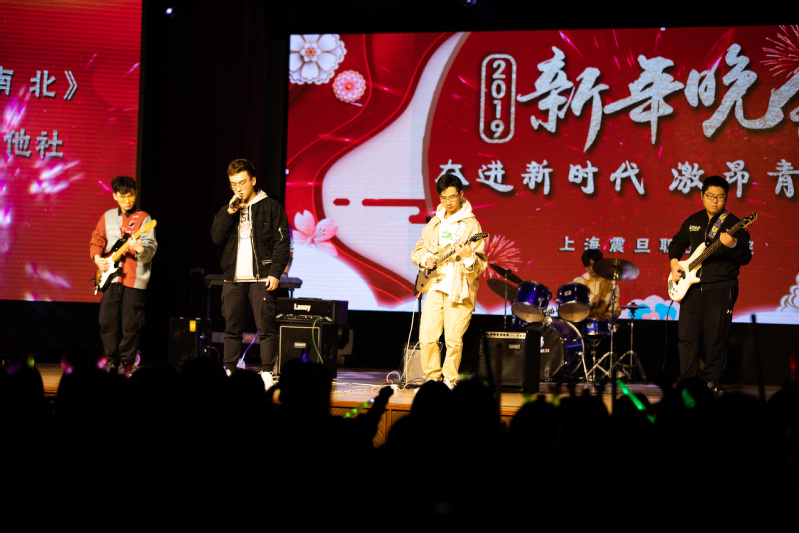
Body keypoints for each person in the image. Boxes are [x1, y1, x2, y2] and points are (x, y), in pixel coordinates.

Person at [210, 158, 291, 389]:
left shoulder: (271, 207)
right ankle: (229, 370)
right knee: (232, 328)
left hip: (261, 277)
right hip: (234, 277)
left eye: (242, 183)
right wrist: (229, 212)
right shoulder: (229, 209)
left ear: (253, 181)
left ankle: (266, 372)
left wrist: (275, 272)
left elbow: (282, 242)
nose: (238, 188)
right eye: (234, 184)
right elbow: (216, 237)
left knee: (266, 329)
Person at [668, 175, 752, 392]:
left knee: (716, 338)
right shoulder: (693, 221)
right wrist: (675, 264)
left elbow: (745, 257)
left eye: (720, 197)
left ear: (726, 198)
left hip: (721, 288)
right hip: (692, 289)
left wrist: (733, 244)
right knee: (687, 337)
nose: (715, 201)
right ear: (702, 196)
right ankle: (687, 382)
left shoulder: (734, 224)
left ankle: (711, 382)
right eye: (710, 196)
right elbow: (676, 244)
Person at [411, 173, 486, 389]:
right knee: (427, 337)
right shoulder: (435, 223)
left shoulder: (471, 226)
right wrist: (427, 258)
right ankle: (432, 380)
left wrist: (468, 257)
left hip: (459, 288)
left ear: (461, 195)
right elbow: (418, 251)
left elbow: (480, 263)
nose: (448, 202)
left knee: (453, 339)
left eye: (452, 197)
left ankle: (450, 380)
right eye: (443, 198)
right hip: (435, 286)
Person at [90, 175, 157, 376]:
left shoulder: (144, 218)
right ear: (115, 196)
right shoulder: (108, 216)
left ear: (135, 194)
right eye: (123, 196)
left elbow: (150, 248)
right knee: (107, 322)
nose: (127, 200)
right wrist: (97, 258)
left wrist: (140, 249)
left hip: (134, 279)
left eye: (131, 196)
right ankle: (111, 360)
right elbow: (97, 239)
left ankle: (126, 363)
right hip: (110, 279)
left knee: (131, 325)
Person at [572, 249, 621, 320]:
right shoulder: (578, 282)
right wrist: (590, 301)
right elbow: (573, 306)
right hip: (582, 322)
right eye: (588, 266)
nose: (591, 269)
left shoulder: (610, 282)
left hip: (603, 323)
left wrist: (610, 315)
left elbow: (616, 305)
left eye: (593, 265)